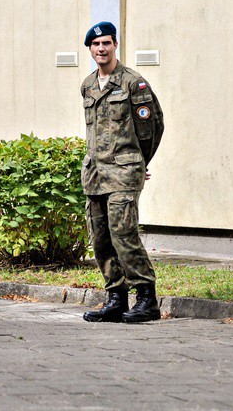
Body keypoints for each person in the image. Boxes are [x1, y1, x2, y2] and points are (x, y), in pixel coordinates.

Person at [80, 21, 165, 323]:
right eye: (95, 44)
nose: (101, 49)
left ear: (115, 45)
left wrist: (139, 162)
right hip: (95, 174)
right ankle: (116, 297)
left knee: (123, 234)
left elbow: (152, 127)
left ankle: (146, 298)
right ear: (90, 49)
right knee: (100, 238)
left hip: (124, 172)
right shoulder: (88, 85)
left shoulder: (133, 83)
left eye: (106, 43)